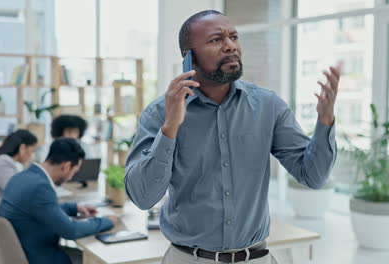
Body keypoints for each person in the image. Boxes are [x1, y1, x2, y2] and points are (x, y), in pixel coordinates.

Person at [125, 10, 339, 264]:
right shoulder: (159, 113)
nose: (230, 46)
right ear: (188, 57)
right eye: (216, 40)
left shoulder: (268, 105)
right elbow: (143, 197)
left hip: (256, 257)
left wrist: (325, 122)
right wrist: (170, 127)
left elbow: (313, 176)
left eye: (234, 37)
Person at [0, 138, 118, 264]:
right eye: (74, 171)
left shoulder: (21, 177)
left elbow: (41, 209)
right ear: (66, 167)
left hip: (20, 252)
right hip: (38, 257)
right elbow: (71, 230)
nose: (71, 177)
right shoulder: (40, 187)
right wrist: (107, 220)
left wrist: (74, 208)